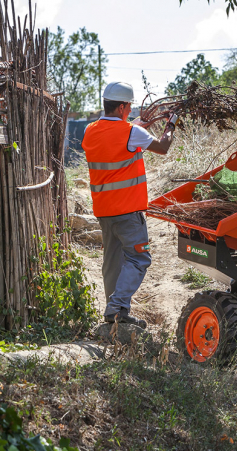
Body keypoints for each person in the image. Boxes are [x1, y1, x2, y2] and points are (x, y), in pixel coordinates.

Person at [82, 82, 175, 328]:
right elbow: (163, 147)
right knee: (138, 259)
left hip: (104, 211)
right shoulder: (130, 133)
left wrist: (139, 125)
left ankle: (114, 315)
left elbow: (122, 135)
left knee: (112, 261)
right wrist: (171, 125)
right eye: (129, 106)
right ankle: (117, 305)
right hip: (128, 211)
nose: (130, 109)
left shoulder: (90, 130)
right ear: (123, 106)